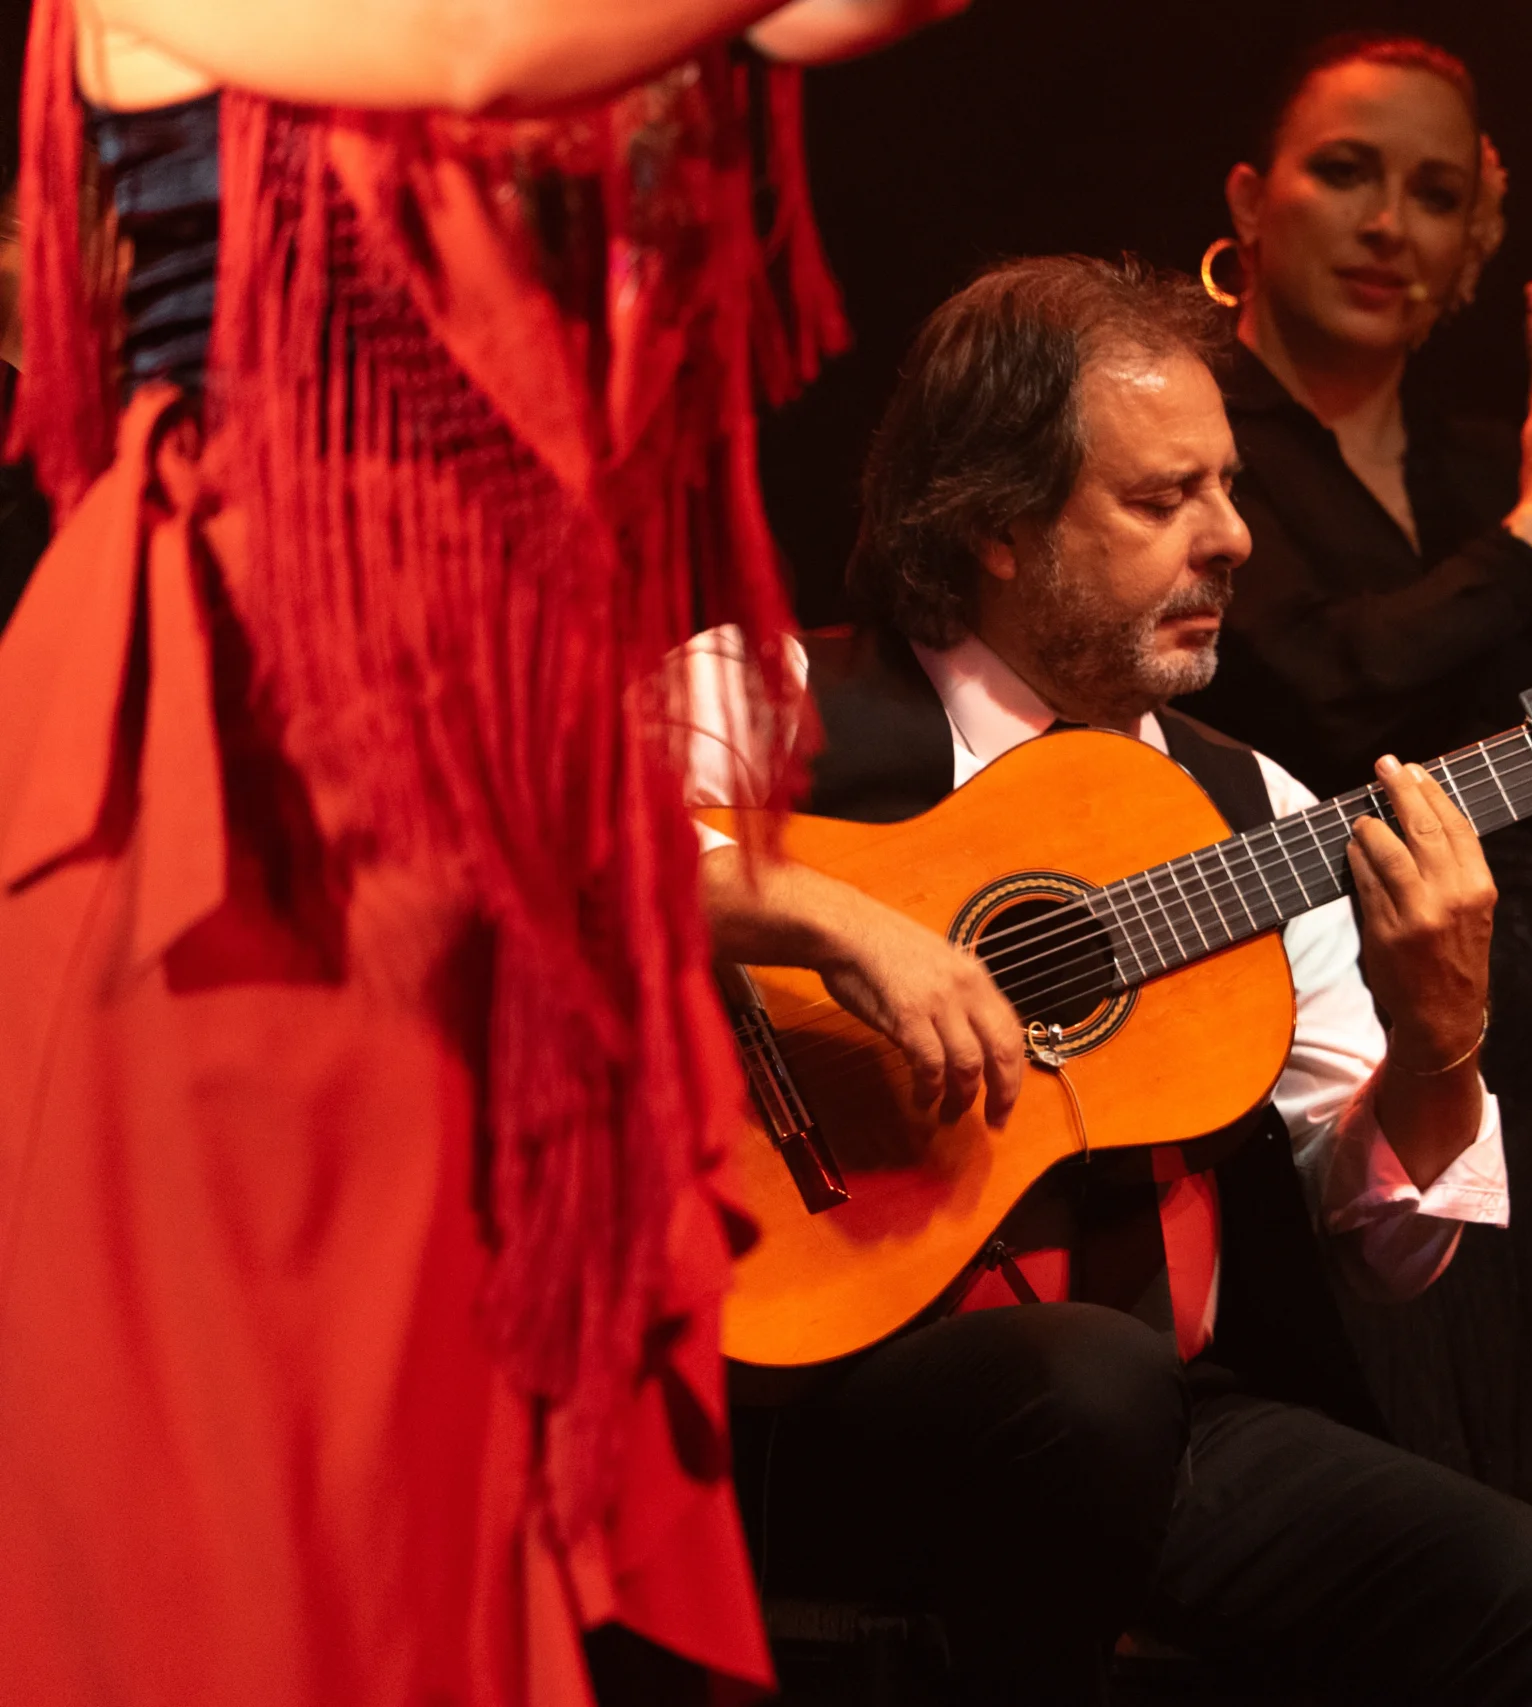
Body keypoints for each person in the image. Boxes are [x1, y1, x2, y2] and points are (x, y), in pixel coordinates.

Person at [0, 4, 961, 1704]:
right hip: (253, 789)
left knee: (425, 1473)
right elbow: (477, 56)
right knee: (259, 1503)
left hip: (493, 796)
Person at [679, 254, 1532, 1706]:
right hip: (791, 1396)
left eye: (1228, 487)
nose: (1233, 538)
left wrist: (1442, 1036)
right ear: (998, 526)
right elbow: (529, 852)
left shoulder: (1258, 817)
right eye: (1163, 498)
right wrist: (832, 921)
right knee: (1087, 1390)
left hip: (1148, 1430)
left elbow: (1388, 1250)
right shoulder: (772, 698)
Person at [1175, 34, 1532, 1701]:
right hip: (1323, 1077)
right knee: (1396, 1554)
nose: (1384, 222)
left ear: (1481, 239)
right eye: (1345, 172)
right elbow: (1320, 688)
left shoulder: (1491, 470)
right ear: (1251, 202)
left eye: (1431, 193)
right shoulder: (1199, 446)